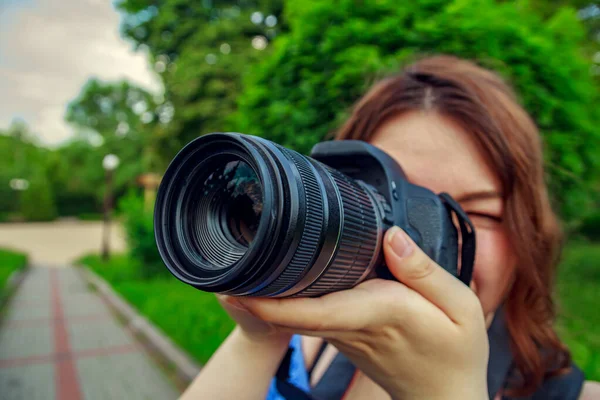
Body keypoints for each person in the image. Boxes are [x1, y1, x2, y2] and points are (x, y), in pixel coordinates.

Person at [179, 55, 600, 400]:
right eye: (388, 199)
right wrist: (261, 337)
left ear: (529, 235)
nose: (417, 244)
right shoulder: (306, 340)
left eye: (479, 214)